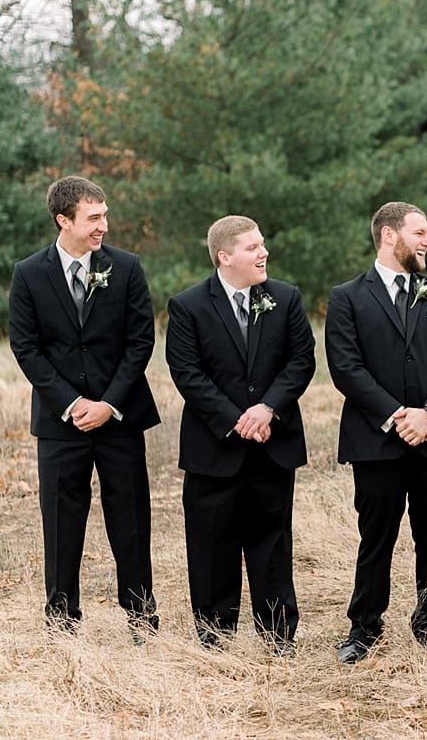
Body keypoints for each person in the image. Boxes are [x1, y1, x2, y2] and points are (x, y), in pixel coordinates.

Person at [8, 175, 159, 635]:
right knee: (61, 521)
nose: (104, 227)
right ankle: (61, 618)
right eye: (94, 218)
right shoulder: (29, 274)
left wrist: (108, 404)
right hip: (61, 423)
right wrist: (72, 403)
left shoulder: (127, 268)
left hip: (119, 418)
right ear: (63, 220)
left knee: (130, 518)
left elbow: (141, 341)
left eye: (105, 215)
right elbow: (26, 347)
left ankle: (141, 616)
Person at [324, 202, 427, 664]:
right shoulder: (347, 296)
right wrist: (396, 415)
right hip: (376, 439)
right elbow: (346, 368)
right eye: (420, 232)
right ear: (390, 235)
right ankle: (365, 626)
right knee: (376, 536)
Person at [165, 216, 315, 655]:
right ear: (224, 257)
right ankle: (214, 637)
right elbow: (187, 373)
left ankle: (278, 638)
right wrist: (236, 419)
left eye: (262, 244)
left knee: (272, 544)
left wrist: (267, 409)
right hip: (214, 448)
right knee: (212, 545)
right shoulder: (188, 305)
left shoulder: (285, 298)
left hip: (273, 444)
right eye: (252, 247)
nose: (263, 252)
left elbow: (301, 361)